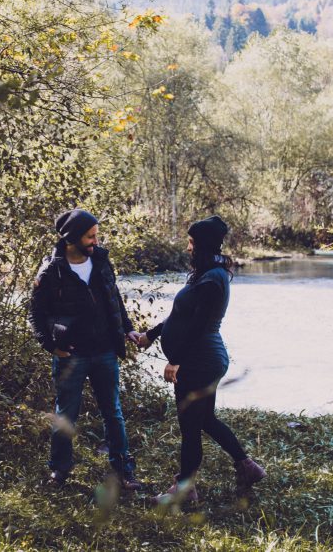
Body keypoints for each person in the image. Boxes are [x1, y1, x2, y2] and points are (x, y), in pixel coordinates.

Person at [134, 215, 265, 505]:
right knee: (204, 419)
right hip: (204, 359)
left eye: (192, 242)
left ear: (203, 245)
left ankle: (184, 489)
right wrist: (150, 335)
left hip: (200, 361)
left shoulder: (212, 279)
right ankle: (247, 467)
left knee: (190, 426)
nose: (188, 247)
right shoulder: (207, 274)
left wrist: (176, 360)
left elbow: (198, 325)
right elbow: (180, 316)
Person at [28, 209, 144, 490]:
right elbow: (36, 314)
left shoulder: (101, 261)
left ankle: (124, 471)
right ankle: (59, 471)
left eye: (96, 235)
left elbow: (113, 298)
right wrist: (49, 346)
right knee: (65, 414)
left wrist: (127, 328)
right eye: (90, 236)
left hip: (105, 351)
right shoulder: (51, 271)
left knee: (112, 411)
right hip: (71, 355)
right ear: (72, 238)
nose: (96, 241)